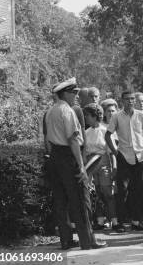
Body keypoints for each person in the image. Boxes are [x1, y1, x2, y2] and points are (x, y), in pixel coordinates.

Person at [45, 78, 106, 250]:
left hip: (54, 156)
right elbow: (73, 140)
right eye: (74, 93)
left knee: (60, 200)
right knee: (79, 199)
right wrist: (81, 166)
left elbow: (48, 139)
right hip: (67, 156)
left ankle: (66, 240)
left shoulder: (50, 111)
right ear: (65, 93)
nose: (77, 96)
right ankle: (88, 241)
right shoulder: (67, 111)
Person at [105, 91, 143, 231]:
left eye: (132, 99)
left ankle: (136, 221)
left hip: (140, 156)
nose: (130, 101)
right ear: (122, 101)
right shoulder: (117, 116)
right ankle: (120, 222)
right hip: (123, 155)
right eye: (127, 99)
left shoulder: (141, 115)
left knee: (138, 189)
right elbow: (108, 135)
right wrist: (115, 151)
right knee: (122, 190)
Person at [83, 104, 120, 232]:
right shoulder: (86, 133)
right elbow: (85, 152)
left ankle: (115, 221)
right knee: (96, 194)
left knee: (108, 193)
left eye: (87, 115)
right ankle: (100, 220)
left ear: (94, 116)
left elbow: (111, 152)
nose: (85, 118)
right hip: (91, 164)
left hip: (104, 163)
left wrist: (114, 167)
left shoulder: (106, 130)